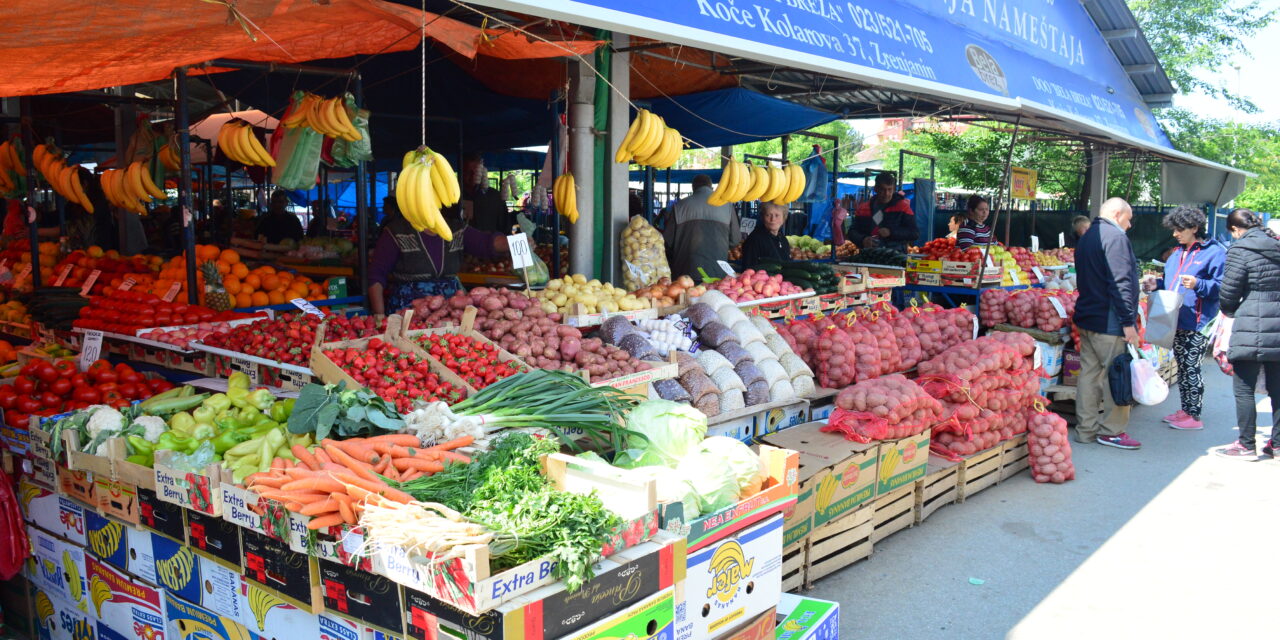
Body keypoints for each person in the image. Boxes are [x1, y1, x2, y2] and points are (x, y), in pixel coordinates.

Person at [1141, 206, 1225, 431]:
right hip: (1173, 318)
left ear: (1195, 228)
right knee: (1183, 366)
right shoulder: (1177, 252)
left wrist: (1199, 285)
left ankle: (1194, 416)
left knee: (1190, 367)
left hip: (1197, 321)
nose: (1175, 234)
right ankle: (1186, 409)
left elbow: (1222, 287)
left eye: (1179, 229)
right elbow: (1172, 281)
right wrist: (1156, 284)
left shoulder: (1215, 252)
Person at [1074, 197, 1142, 450]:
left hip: (1087, 316)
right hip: (1109, 320)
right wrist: (1128, 322)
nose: (1130, 224)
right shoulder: (1115, 238)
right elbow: (1120, 281)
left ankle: (1086, 430)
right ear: (1116, 213)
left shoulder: (1088, 235)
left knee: (1089, 376)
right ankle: (1112, 431)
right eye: (1129, 217)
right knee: (1118, 375)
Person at [367, 196, 509, 316]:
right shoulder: (396, 231)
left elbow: (486, 242)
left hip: (451, 310)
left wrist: (518, 242)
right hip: (409, 311)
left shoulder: (455, 229)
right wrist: (379, 316)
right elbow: (376, 275)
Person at [1214, 208, 1280, 460]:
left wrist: (1230, 311)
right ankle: (1277, 444)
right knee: (1278, 388)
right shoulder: (1277, 246)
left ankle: (1245, 444)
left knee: (1244, 388)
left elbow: (1229, 291)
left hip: (1250, 324)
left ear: (1235, 229)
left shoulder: (1240, 250)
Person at [663, 173, 739, 281]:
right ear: (711, 187)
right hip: (717, 272)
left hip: (685, 274)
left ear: (693, 188)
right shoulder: (727, 207)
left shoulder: (679, 207)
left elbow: (667, 241)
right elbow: (735, 240)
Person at [845, 172, 917, 252]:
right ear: (876, 189)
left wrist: (891, 232)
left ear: (894, 190)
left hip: (896, 256)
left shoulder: (903, 207)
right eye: (883, 189)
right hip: (868, 256)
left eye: (890, 190)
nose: (886, 194)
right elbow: (852, 232)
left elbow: (914, 233)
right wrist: (863, 240)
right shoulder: (863, 208)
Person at [462, 153, 512, 233]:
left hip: (491, 243)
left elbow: (505, 227)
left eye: (476, 172)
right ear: (462, 172)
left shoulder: (495, 196)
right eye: (468, 172)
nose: (473, 176)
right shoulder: (453, 196)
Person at [740, 202, 791, 268]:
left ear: (784, 218)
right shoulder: (754, 240)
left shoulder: (783, 239)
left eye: (777, 215)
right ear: (762, 217)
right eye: (768, 215)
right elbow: (748, 270)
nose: (773, 219)